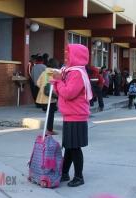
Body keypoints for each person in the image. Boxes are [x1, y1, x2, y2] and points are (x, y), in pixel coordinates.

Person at [51, 44, 92, 187]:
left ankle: (79, 177)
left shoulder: (77, 73)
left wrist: (59, 80)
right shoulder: (69, 71)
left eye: (69, 54)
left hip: (76, 115)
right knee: (68, 146)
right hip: (69, 115)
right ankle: (64, 173)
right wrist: (56, 81)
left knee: (74, 147)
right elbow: (60, 92)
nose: (66, 57)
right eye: (65, 54)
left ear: (77, 56)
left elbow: (68, 93)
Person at [36, 58, 59, 135]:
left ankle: (46, 130)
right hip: (52, 96)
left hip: (43, 95)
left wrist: (43, 88)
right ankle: (49, 129)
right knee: (51, 113)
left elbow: (38, 83)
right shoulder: (56, 73)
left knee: (46, 112)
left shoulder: (44, 73)